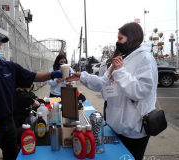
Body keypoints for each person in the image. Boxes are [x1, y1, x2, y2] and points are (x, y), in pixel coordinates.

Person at [0, 30, 63, 160]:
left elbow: (33, 76)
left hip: (9, 123)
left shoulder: (10, 68)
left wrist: (52, 75)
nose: (0, 48)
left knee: (12, 155)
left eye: (0, 45)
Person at [66, 22, 158, 160]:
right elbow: (103, 83)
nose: (117, 41)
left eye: (121, 38)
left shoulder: (145, 59)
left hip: (133, 129)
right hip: (116, 126)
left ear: (131, 38)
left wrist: (120, 73)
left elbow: (141, 90)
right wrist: (83, 76)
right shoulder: (123, 57)